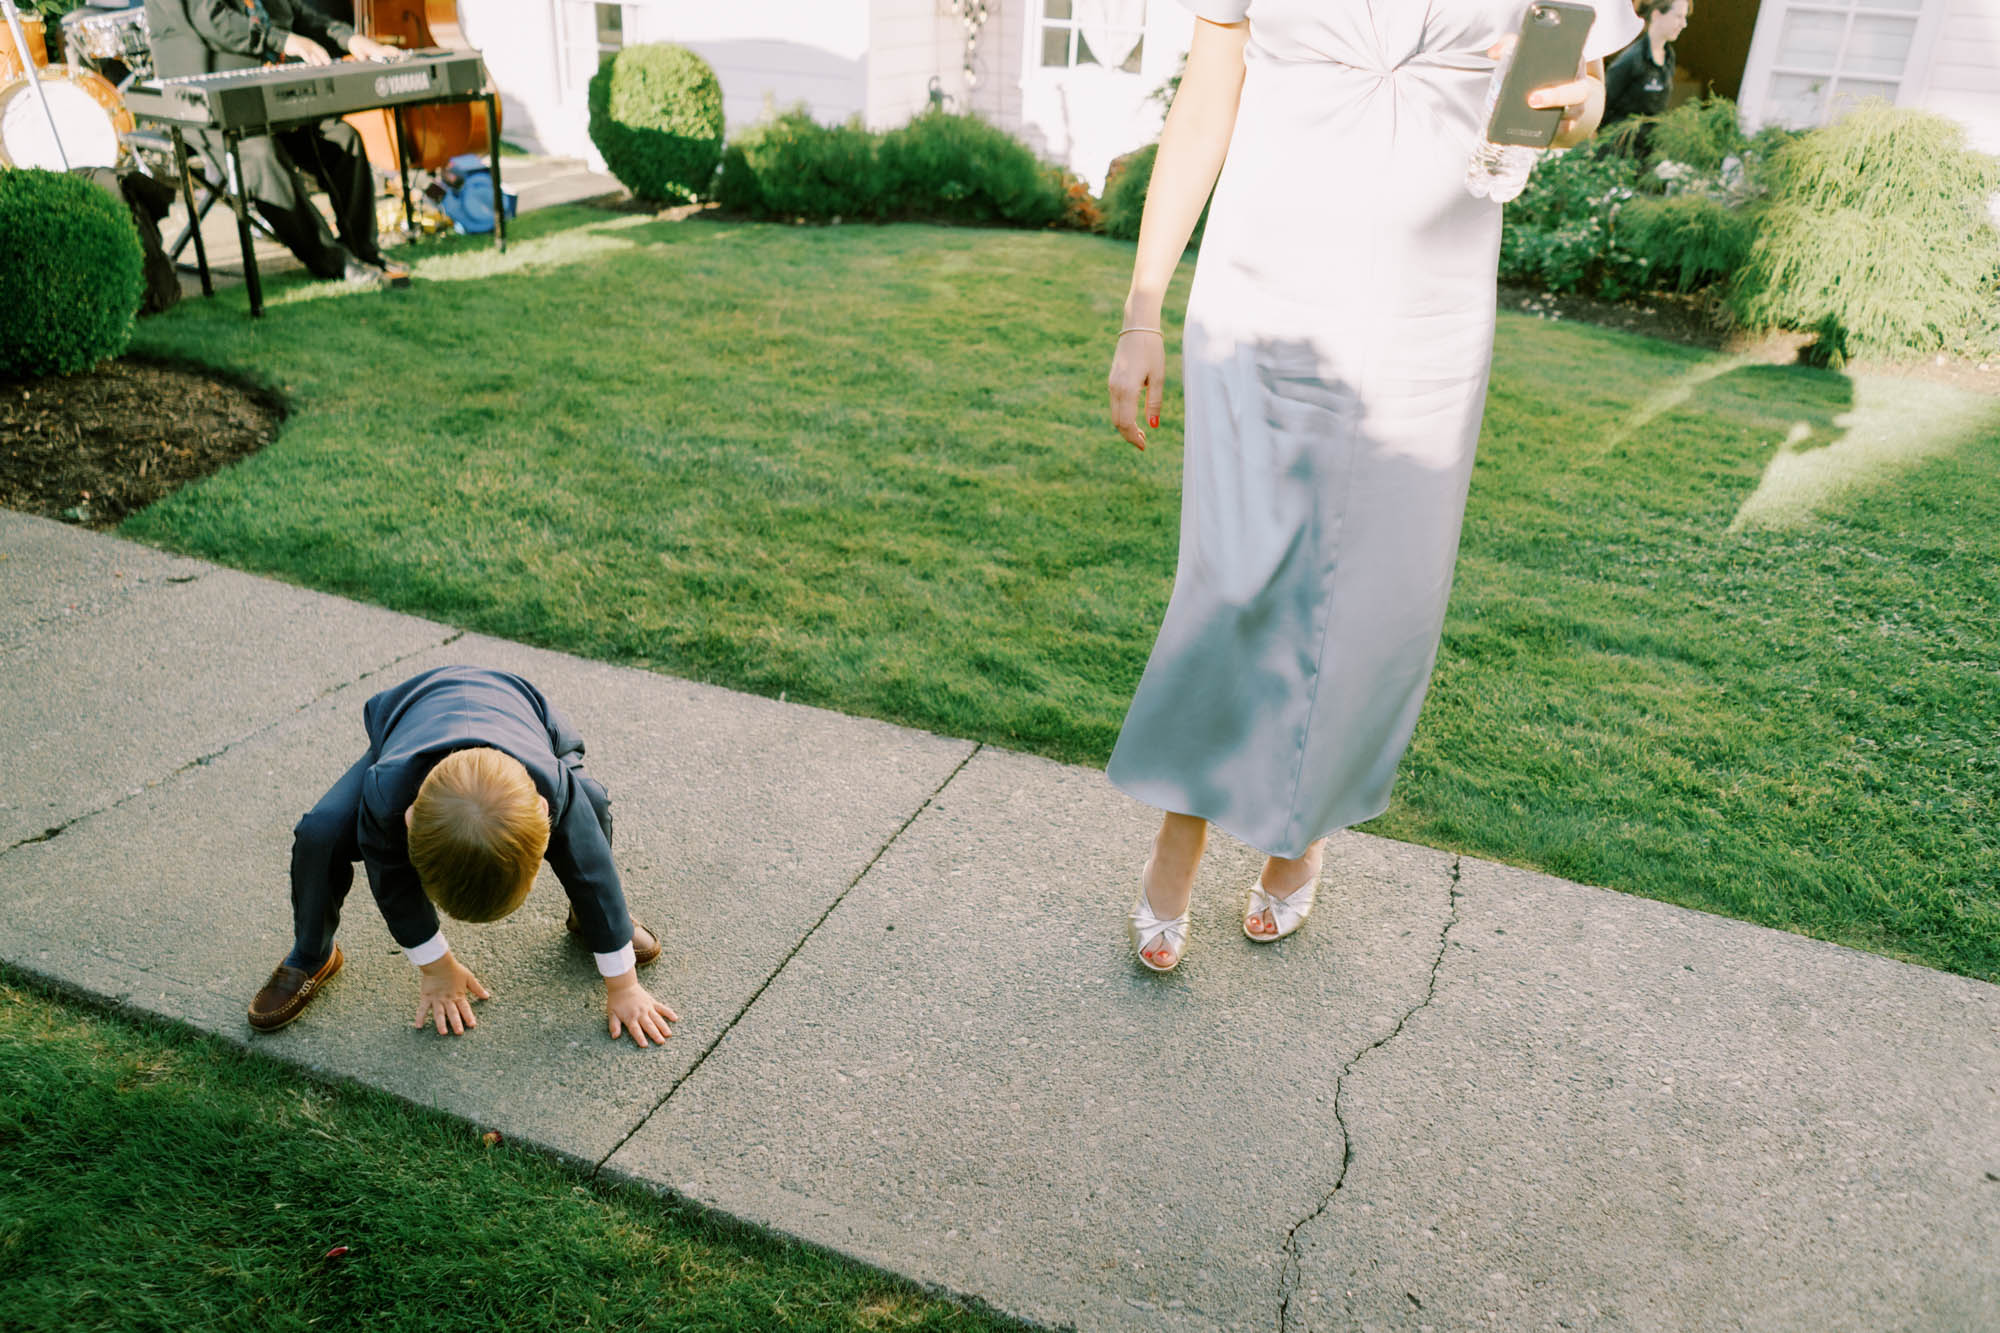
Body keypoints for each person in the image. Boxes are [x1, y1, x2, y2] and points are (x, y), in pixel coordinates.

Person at [1104, 0, 1641, 972]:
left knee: (1374, 593)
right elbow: (1207, 90)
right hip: (1260, 286)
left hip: (1423, 307)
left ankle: (1299, 829)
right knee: (1231, 577)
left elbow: (1581, 94)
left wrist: (1565, 110)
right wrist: (1143, 304)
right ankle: (1178, 836)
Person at [247, 666, 679, 1046]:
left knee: (592, 802)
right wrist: (435, 966)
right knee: (319, 833)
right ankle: (312, 953)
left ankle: (591, 923)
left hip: (521, 711)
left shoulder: (554, 785)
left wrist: (623, 983)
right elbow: (392, 881)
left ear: (543, 814)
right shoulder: (386, 792)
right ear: (409, 821)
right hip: (411, 717)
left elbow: (592, 869)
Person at [143, 0, 411, 287]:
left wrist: (351, 39)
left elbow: (294, 12)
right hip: (199, 106)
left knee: (344, 139)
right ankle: (333, 260)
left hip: (264, 95)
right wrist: (283, 41)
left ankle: (364, 251)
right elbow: (214, 21)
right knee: (260, 156)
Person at [1603, 0, 1691, 136]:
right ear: (1656, 15)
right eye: (1678, 16)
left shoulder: (1669, 56)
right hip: (1623, 143)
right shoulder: (1631, 59)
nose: (1684, 24)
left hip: (1650, 144)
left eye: (1685, 18)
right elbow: (1605, 103)